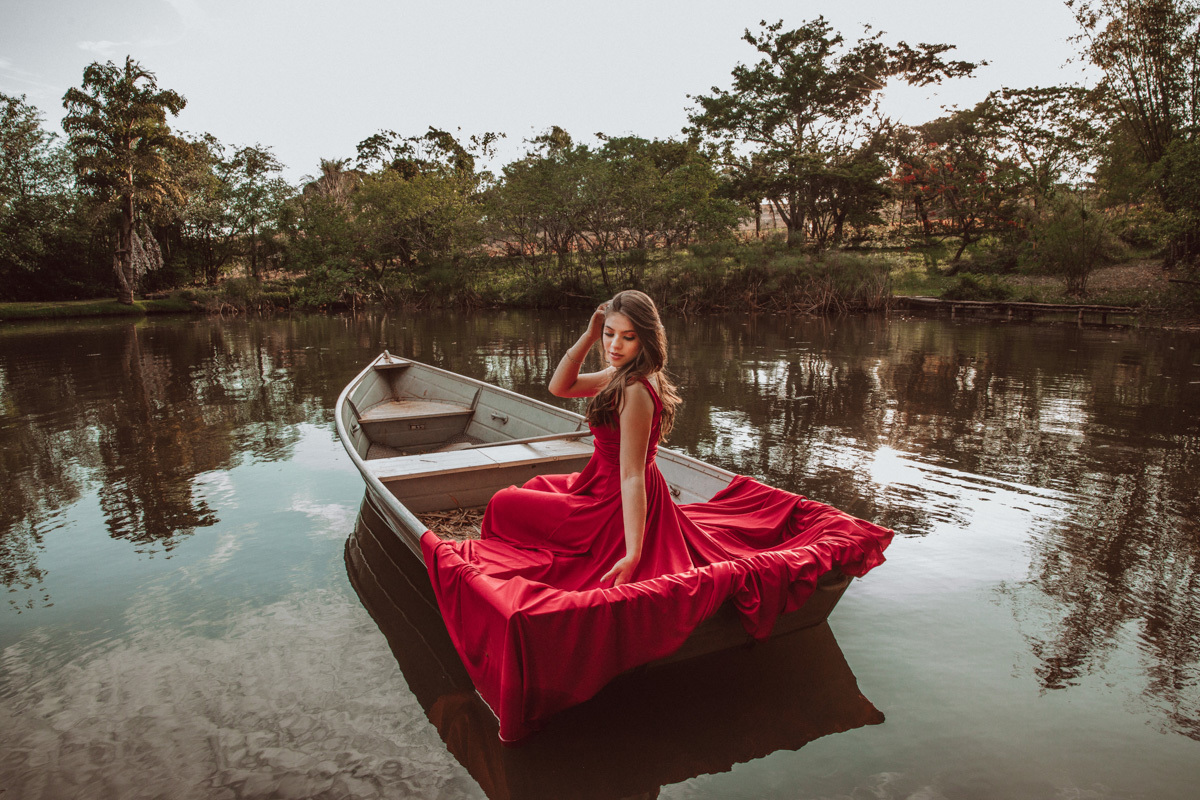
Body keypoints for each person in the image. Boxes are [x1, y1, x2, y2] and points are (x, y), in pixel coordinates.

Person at [477, 289, 690, 587]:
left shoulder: (634, 390)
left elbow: (632, 475)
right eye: (609, 333)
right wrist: (589, 336)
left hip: (612, 501)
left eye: (628, 337)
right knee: (537, 485)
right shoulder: (624, 372)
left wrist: (633, 554)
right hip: (599, 482)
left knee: (502, 503)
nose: (614, 345)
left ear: (646, 338)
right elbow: (560, 387)